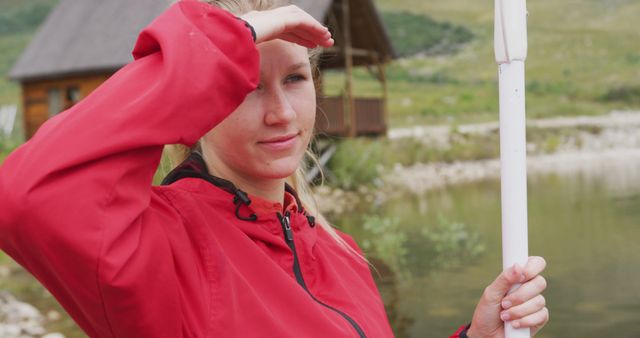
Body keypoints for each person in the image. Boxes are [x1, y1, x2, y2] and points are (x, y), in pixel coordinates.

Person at [0, 0, 548, 337]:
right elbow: (28, 196)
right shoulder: (162, 250)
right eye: (243, 88)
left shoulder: (342, 253)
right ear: (198, 103)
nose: (281, 112)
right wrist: (223, 41)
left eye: (294, 79)